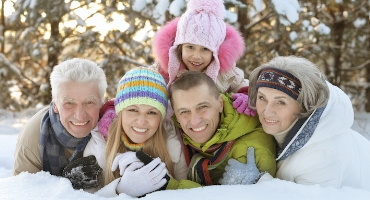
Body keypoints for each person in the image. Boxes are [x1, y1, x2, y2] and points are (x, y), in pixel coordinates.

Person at [221, 56, 370, 190]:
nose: (267, 111)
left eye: (281, 102)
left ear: (305, 105)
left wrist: (257, 183)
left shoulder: (323, 157)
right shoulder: (287, 125)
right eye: (262, 98)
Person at [85, 67, 188, 197]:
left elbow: (188, 194)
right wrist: (120, 190)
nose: (141, 121)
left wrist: (164, 182)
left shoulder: (173, 143)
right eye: (133, 110)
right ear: (120, 112)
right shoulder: (99, 144)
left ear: (161, 118)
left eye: (151, 112)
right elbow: (84, 197)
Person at [164, 71, 277, 188]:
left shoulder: (251, 153)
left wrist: (167, 185)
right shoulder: (178, 134)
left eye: (202, 107)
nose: (195, 121)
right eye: (184, 111)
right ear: (176, 115)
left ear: (220, 104)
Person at [12, 58, 108, 190]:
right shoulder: (34, 138)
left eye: (89, 102)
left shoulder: (116, 128)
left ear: (101, 103)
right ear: (55, 105)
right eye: (69, 103)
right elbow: (22, 193)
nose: (80, 115)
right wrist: (65, 185)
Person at [151, 0, 254, 116]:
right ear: (179, 47)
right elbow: (145, 85)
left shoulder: (226, 75)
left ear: (216, 52)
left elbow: (245, 86)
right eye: (190, 47)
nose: (196, 56)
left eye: (205, 49)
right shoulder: (164, 72)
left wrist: (246, 95)